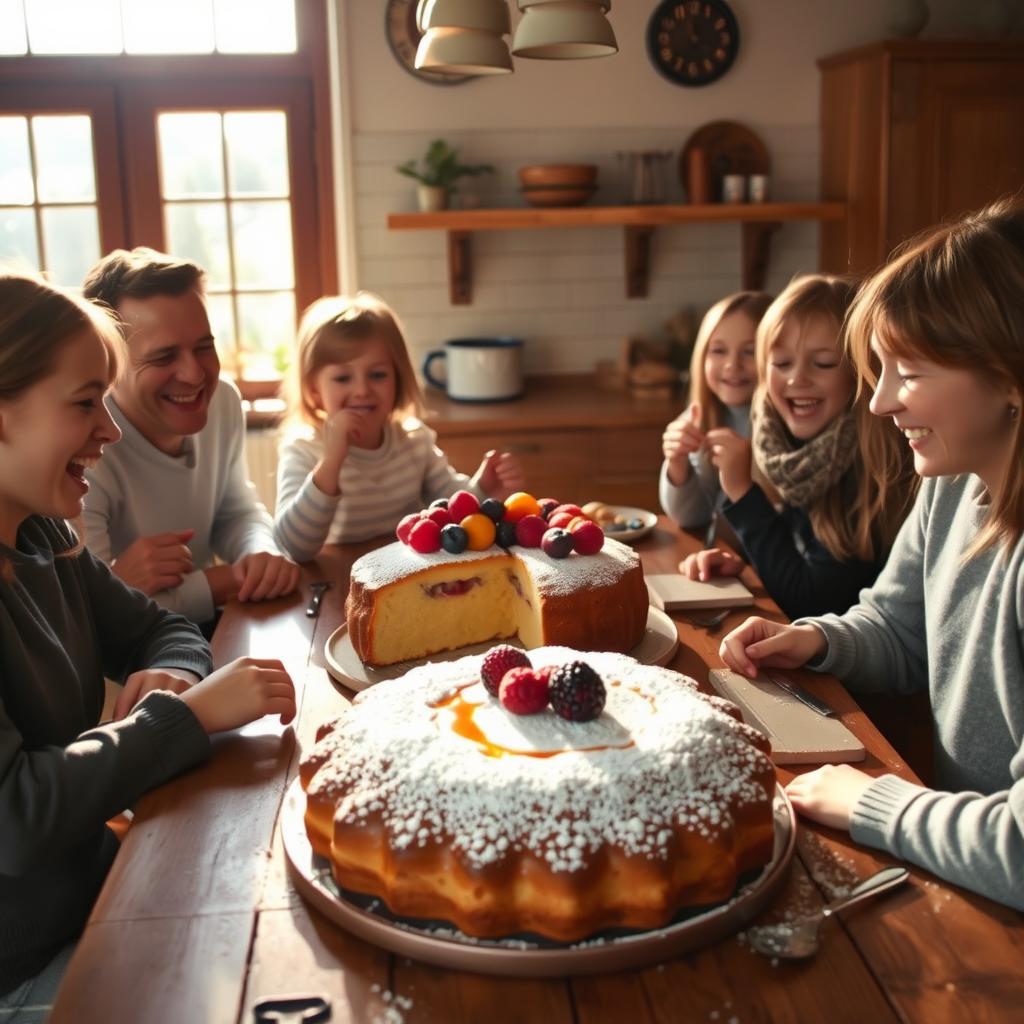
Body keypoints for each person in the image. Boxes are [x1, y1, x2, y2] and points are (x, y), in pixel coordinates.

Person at [0, 273, 297, 1013]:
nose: (108, 429)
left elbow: (159, 627)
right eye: (81, 405)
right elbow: (15, 817)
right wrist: (187, 718)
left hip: (100, 893)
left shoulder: (45, 535)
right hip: (23, 968)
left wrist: (168, 673)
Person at [719, 199, 1024, 911]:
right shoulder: (954, 484)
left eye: (908, 373)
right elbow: (898, 628)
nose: (881, 402)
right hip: (958, 861)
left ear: (1011, 377)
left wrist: (873, 803)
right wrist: (818, 638)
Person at [80, 248, 299, 631]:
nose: (195, 374)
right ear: (108, 363)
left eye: (204, 347)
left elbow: (235, 511)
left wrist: (259, 552)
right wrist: (229, 580)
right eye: (164, 358)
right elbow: (94, 610)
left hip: (198, 631)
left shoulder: (224, 400)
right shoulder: (84, 443)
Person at [678, 274, 915, 619]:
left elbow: (812, 603)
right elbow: (796, 562)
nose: (796, 379)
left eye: (823, 363)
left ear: (860, 372)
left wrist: (743, 493)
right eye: (782, 363)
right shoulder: (793, 450)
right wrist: (748, 569)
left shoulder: (871, 470)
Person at [273, 293, 525, 560]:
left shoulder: (415, 441)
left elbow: (452, 510)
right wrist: (332, 460)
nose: (361, 390)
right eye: (342, 378)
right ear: (314, 390)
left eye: (377, 375)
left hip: (403, 575)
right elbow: (292, 546)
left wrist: (483, 489)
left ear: (398, 379)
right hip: (336, 582)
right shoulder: (303, 449)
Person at [659, 290, 773, 537]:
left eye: (750, 351)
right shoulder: (699, 417)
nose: (732, 365)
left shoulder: (786, 428)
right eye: (719, 351)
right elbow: (690, 517)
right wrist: (677, 465)